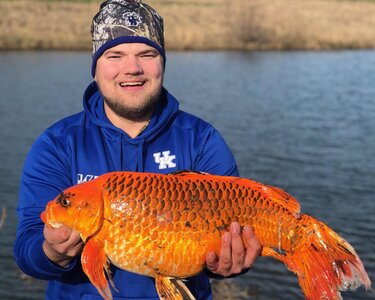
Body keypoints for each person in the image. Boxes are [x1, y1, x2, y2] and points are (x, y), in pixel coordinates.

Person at [14, 0, 262, 299]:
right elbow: (27, 251)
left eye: (146, 54)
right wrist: (52, 251)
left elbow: (239, 237)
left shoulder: (201, 140)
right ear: (95, 68)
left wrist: (229, 262)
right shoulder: (57, 144)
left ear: (162, 64)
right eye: (114, 55)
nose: (132, 68)